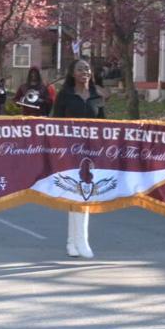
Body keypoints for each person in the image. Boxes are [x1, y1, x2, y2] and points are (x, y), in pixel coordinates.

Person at [52, 59, 105, 259]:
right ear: (73, 73)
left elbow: (104, 125)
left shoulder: (96, 97)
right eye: (81, 69)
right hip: (68, 150)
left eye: (88, 69)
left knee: (85, 194)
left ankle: (76, 240)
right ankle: (77, 241)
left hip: (91, 153)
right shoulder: (65, 96)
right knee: (74, 194)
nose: (85, 71)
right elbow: (54, 123)